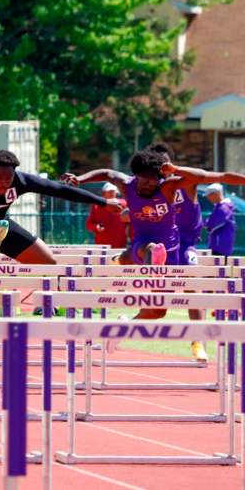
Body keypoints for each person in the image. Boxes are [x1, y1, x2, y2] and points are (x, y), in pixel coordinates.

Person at [63, 150, 245, 360]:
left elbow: (213, 176)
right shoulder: (127, 185)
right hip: (144, 243)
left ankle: (124, 327)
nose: (148, 184)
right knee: (149, 248)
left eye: (153, 181)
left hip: (172, 248)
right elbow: (107, 173)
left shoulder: (167, 187)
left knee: (158, 311)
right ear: (136, 175)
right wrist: (81, 179)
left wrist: (176, 170)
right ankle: (132, 260)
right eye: (144, 180)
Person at [0, 150, 123, 263]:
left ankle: (44, 305)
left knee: (48, 261)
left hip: (1, 224)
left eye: (9, 177)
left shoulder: (21, 181)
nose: (5, 182)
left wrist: (103, 202)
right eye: (0, 178)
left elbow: (60, 190)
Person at [85, 182, 129, 248]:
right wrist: (96, 227)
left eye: (113, 191)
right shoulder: (96, 206)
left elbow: (130, 223)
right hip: (102, 245)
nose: (112, 193)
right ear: (104, 193)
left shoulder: (123, 204)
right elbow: (89, 225)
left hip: (120, 244)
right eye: (109, 191)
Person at [204, 183, 236, 256]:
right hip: (218, 245)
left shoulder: (224, 207)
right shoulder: (220, 206)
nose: (208, 198)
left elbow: (214, 223)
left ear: (216, 194)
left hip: (220, 245)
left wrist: (207, 224)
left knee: (219, 266)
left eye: (209, 195)